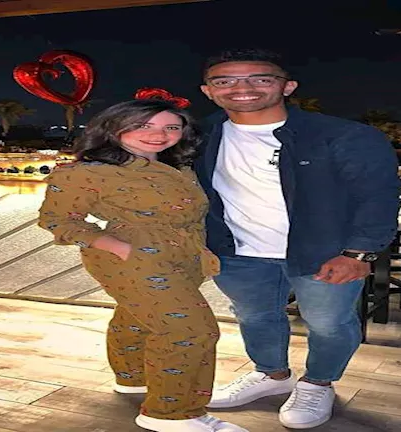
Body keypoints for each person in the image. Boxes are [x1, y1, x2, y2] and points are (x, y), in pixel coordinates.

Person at [194, 48, 401, 429]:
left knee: (328, 324)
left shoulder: (341, 135)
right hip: (236, 251)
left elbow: (378, 197)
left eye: (260, 78)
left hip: (324, 251)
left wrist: (359, 253)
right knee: (254, 317)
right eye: (225, 80)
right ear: (208, 90)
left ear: (287, 86)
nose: (242, 88)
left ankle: (318, 383)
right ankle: (271, 374)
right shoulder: (197, 135)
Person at [38, 99, 248, 432]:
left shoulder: (179, 166)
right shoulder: (85, 171)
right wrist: (117, 247)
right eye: (143, 125)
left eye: (171, 127)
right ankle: (171, 414)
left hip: (184, 254)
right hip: (135, 257)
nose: (159, 135)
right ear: (114, 127)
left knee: (136, 317)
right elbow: (56, 220)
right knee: (190, 330)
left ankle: (133, 378)